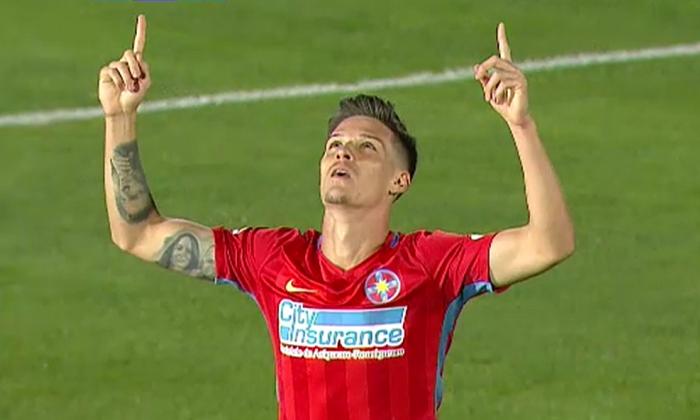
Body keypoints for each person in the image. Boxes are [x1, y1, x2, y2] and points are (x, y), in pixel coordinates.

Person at [99, 15, 574, 420]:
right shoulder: (274, 259)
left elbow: (548, 243)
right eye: (335, 146)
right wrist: (120, 118)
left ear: (399, 181)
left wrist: (521, 124)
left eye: (367, 148)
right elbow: (137, 234)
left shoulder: (432, 264)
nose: (344, 153)